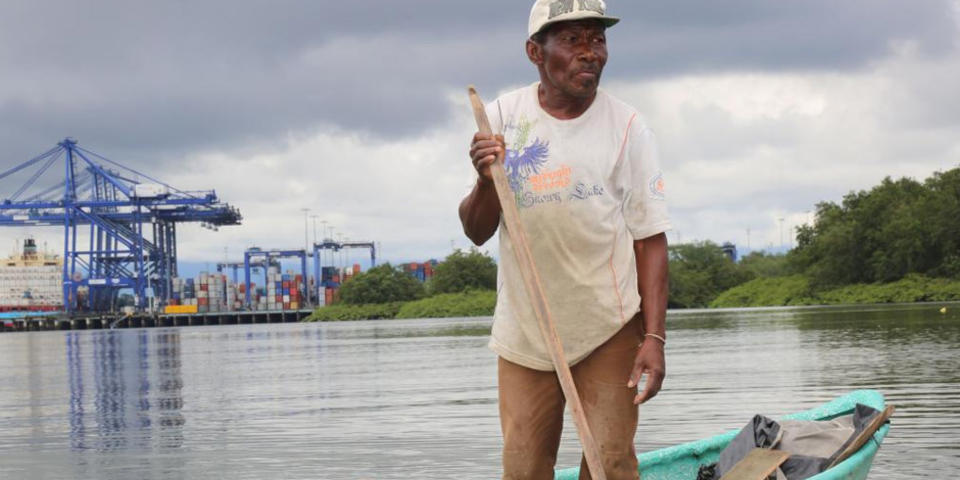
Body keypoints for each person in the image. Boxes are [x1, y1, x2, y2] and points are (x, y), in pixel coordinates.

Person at [458, 1, 671, 479]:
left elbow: (649, 239)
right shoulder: (501, 118)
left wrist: (654, 337)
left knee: (611, 463)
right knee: (525, 467)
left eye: (596, 40)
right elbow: (476, 231)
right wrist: (485, 180)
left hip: (608, 324)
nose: (589, 53)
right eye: (572, 40)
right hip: (525, 332)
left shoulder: (628, 127)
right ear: (536, 51)